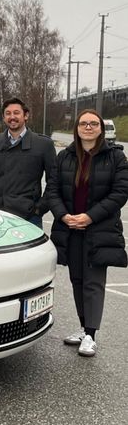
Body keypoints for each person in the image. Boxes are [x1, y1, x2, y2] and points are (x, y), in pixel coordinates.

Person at [44, 110, 128, 357]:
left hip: (99, 229)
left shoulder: (116, 157)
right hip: (70, 229)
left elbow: (120, 193)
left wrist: (90, 216)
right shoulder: (65, 156)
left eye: (93, 123)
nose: (88, 127)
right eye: (83, 123)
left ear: (101, 128)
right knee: (77, 280)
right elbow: (52, 190)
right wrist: (63, 215)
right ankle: (84, 328)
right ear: (77, 128)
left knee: (93, 283)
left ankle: (91, 335)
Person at [0, 97, 56, 227]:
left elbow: (54, 181)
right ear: (3, 117)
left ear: (26, 115)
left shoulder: (44, 144)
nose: (12, 117)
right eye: (8, 113)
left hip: (29, 217)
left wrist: (39, 209)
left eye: (16, 113)